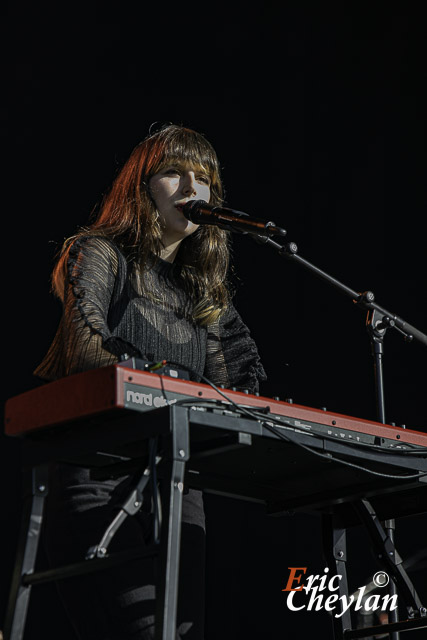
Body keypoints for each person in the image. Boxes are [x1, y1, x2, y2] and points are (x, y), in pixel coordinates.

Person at [34, 123, 267, 639]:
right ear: (141, 188)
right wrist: (169, 378)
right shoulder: (99, 253)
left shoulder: (201, 293)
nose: (191, 188)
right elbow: (84, 348)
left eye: (203, 178)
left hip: (177, 483)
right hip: (97, 474)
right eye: (173, 173)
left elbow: (240, 387)